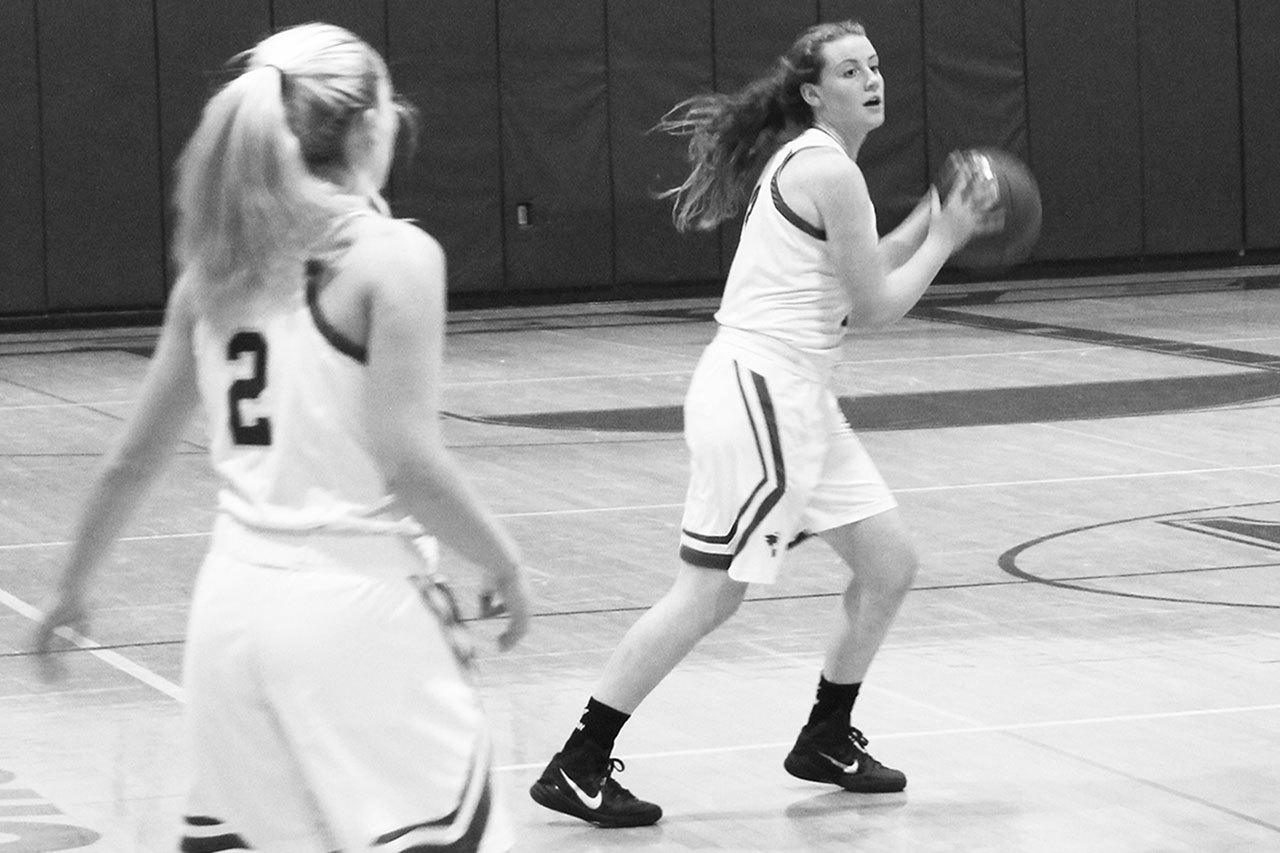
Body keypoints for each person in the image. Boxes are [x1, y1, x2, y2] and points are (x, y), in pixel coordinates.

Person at [31, 23, 531, 853]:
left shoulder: (214, 269)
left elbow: (131, 460)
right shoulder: (392, 256)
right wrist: (505, 560)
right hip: (357, 606)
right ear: (371, 125)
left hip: (229, 609)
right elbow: (410, 466)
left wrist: (72, 587)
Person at [529, 20, 999, 827]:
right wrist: (949, 237)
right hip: (762, 396)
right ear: (816, 92)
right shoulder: (827, 167)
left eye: (876, 65)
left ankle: (825, 734)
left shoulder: (821, 163)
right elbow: (877, 305)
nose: (872, 79)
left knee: (887, 562)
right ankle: (580, 758)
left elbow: (863, 264)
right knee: (710, 594)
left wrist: (929, 214)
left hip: (798, 397)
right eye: (851, 71)